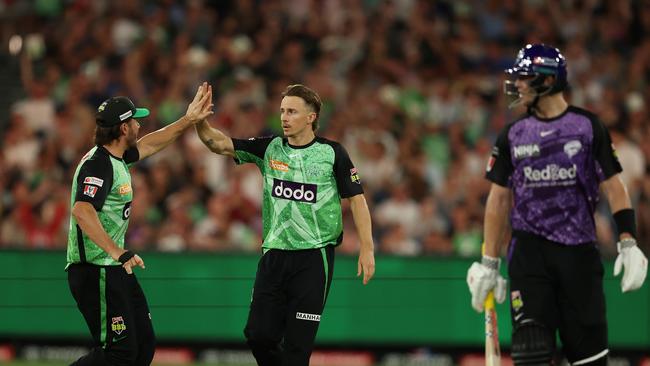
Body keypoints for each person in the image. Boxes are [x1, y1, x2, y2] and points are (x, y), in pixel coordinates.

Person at [466, 44, 648, 365]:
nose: (517, 84)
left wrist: (628, 242)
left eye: (525, 77)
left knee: (589, 358)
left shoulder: (588, 128)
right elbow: (498, 200)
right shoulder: (512, 134)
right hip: (528, 256)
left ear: (548, 81)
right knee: (531, 354)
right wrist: (489, 263)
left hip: (578, 255)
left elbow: (615, 188)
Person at [194, 84, 375, 366]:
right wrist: (200, 121)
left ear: (311, 117)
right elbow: (219, 143)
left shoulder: (332, 153)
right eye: (282, 111)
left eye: (292, 111)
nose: (284, 117)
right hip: (274, 255)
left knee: (297, 349)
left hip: (313, 259)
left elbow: (357, 200)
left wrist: (367, 247)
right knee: (257, 335)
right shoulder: (270, 148)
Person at [66, 84, 213, 365]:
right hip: (96, 270)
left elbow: (151, 144)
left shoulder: (115, 157)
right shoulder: (98, 164)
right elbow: (82, 210)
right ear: (123, 128)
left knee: (143, 345)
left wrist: (189, 120)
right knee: (119, 352)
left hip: (114, 268)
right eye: (134, 120)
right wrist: (116, 252)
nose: (139, 125)